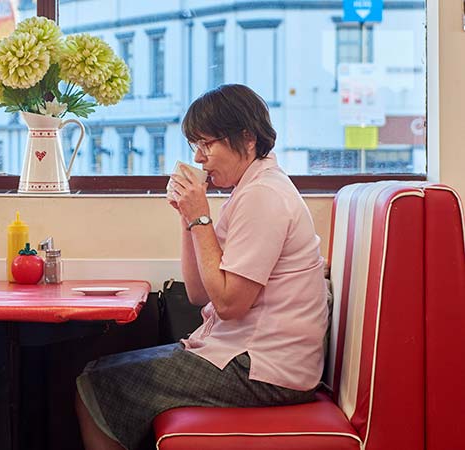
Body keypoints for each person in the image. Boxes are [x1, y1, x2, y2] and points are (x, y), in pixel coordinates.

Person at [74, 84, 328, 450]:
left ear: (247, 138)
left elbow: (229, 304)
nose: (198, 157)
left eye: (207, 144)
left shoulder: (264, 196)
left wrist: (201, 218)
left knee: (93, 387)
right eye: (195, 145)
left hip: (262, 369)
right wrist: (186, 217)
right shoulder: (250, 190)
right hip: (250, 358)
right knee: (96, 375)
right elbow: (197, 294)